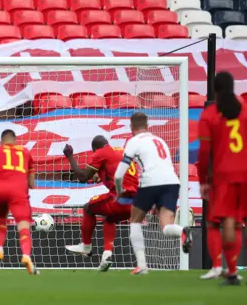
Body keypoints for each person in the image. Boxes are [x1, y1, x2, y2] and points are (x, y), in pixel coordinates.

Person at [198, 71, 247, 286]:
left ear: (215, 90)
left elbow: (204, 153)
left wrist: (203, 181)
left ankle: (231, 272)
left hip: (223, 175)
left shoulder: (209, 116)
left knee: (228, 219)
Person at [115, 112, 192, 275]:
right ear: (148, 126)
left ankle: (142, 265)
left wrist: (118, 190)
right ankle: (181, 231)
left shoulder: (133, 141)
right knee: (165, 226)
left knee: (135, 220)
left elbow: (118, 174)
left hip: (150, 182)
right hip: (172, 182)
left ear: (131, 128)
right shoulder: (160, 141)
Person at [62, 135, 139, 271]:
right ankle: (106, 256)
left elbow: (83, 177)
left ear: (95, 149)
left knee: (88, 208)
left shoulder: (100, 153)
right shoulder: (121, 150)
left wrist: (69, 156)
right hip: (136, 203)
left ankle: (86, 247)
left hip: (119, 199)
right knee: (109, 218)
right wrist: (102, 174)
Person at [0, 129, 38, 275]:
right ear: (15, 141)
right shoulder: (25, 152)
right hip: (18, 192)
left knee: (2, 218)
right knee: (23, 225)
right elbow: (31, 183)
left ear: (1, 141)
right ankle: (26, 256)